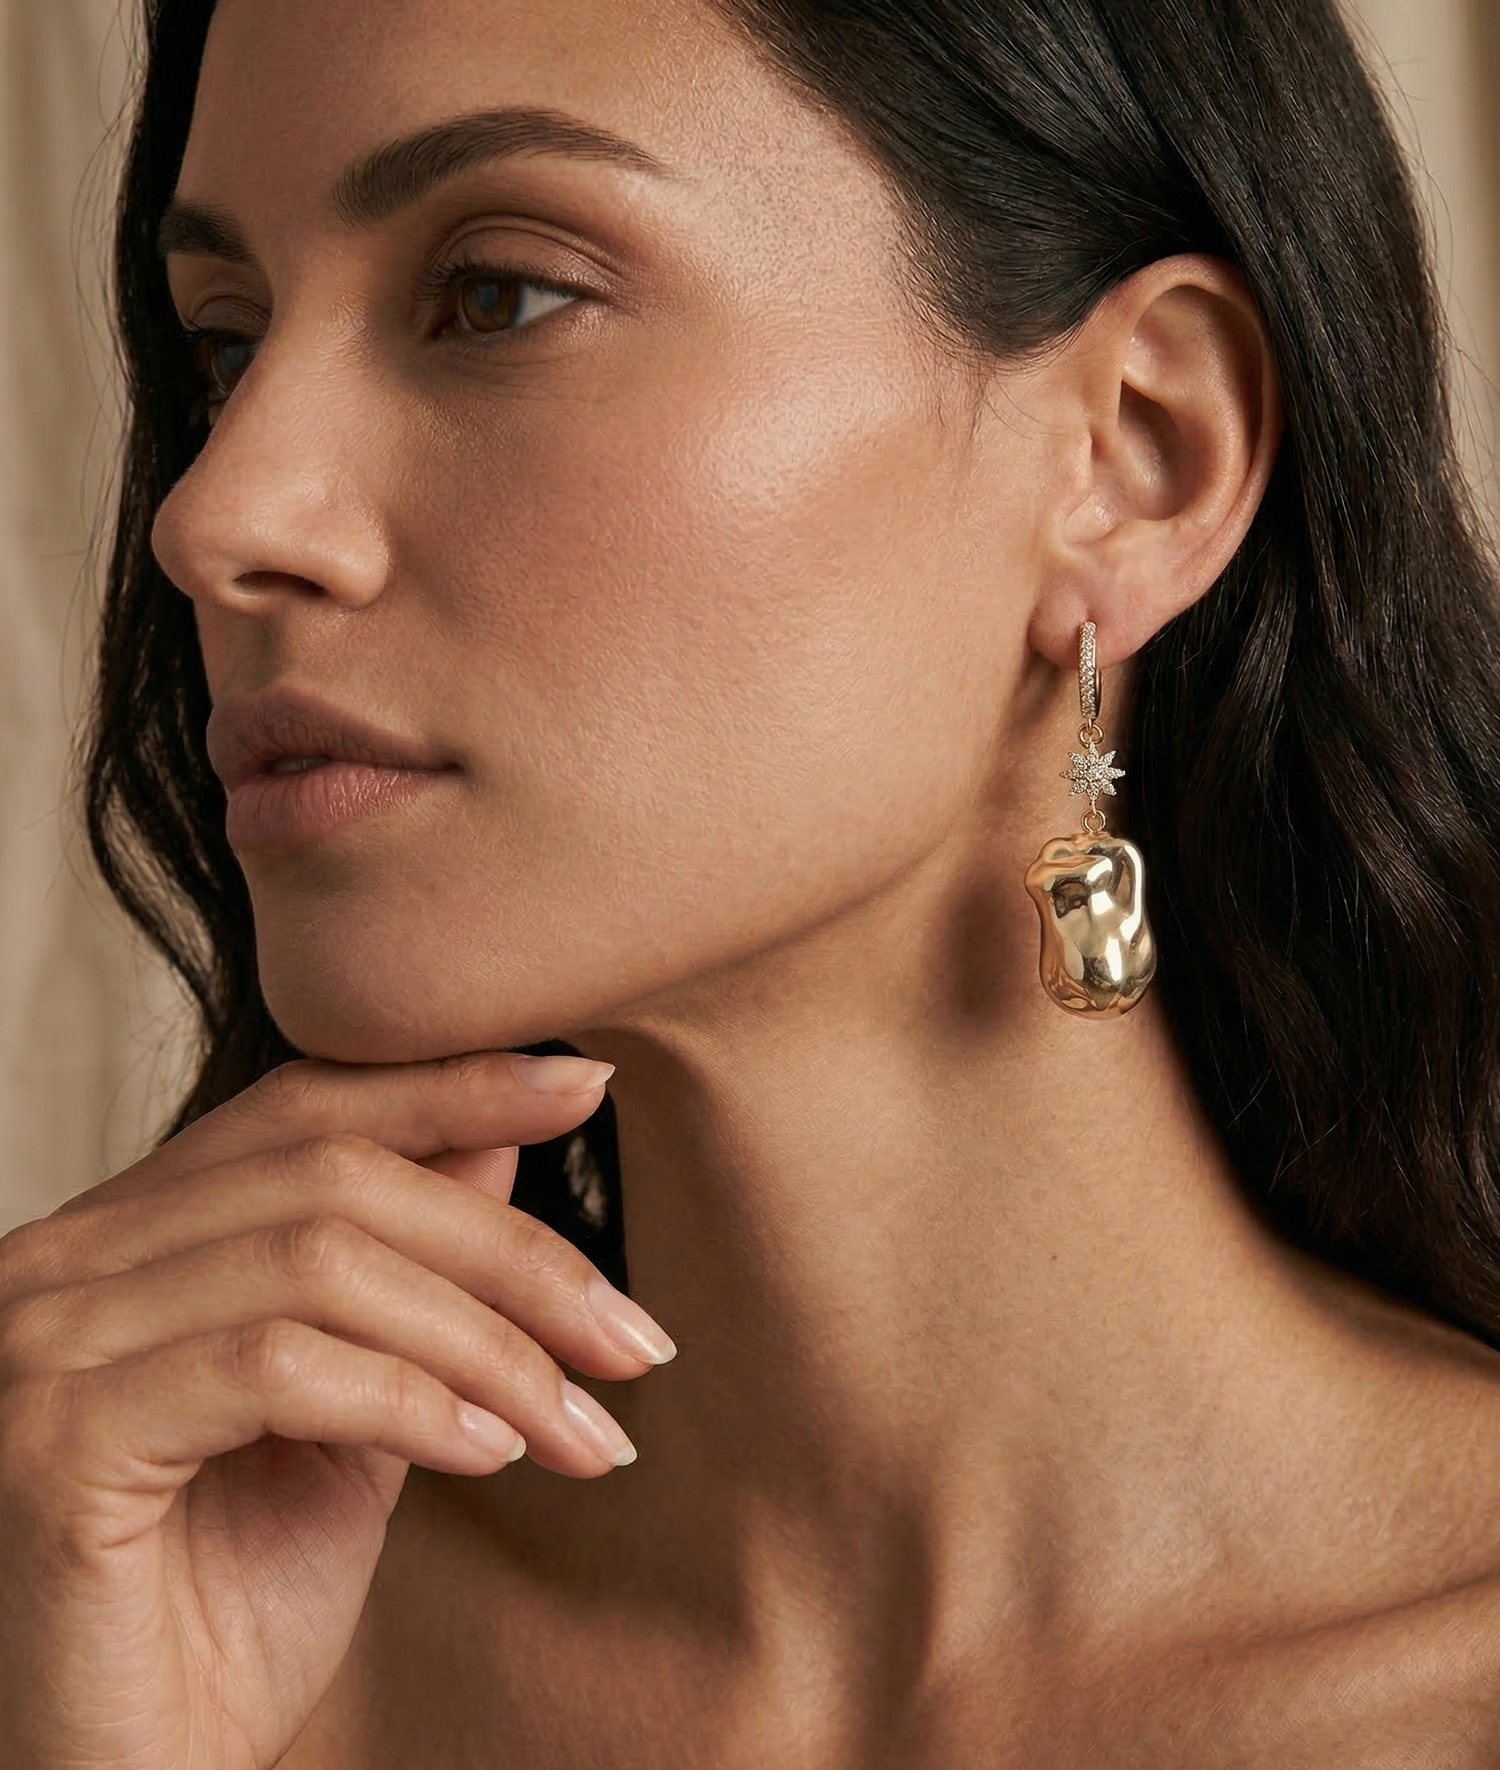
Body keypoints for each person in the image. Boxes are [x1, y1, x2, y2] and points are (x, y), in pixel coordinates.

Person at [4, 0, 1500, 1761]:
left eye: (497, 292)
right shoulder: (129, 1634)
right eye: (220, 345)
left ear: (1135, 455)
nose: (214, 510)